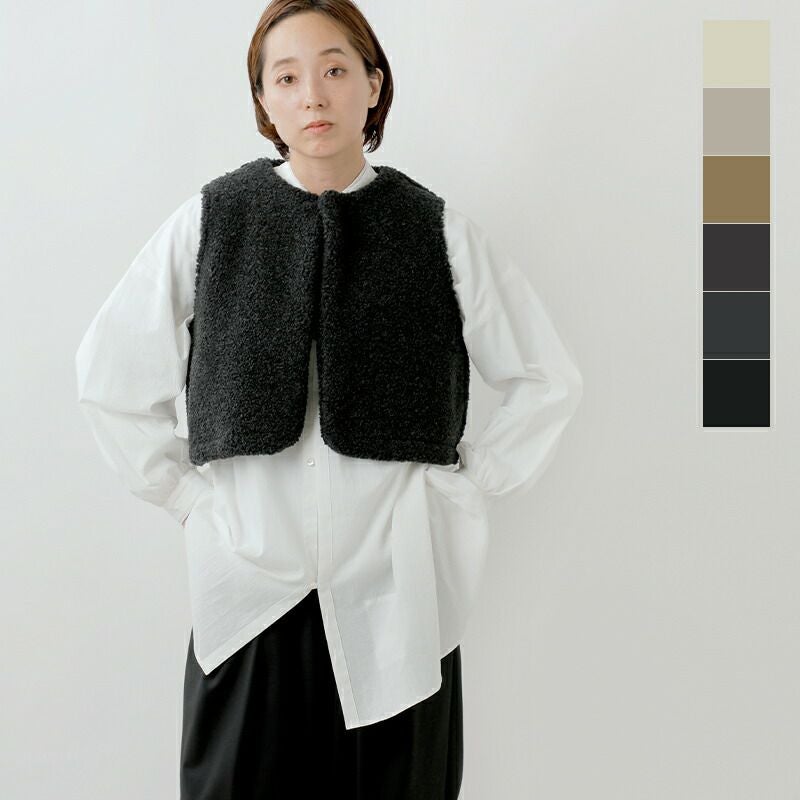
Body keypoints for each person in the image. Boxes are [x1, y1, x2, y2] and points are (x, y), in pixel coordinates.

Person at [74, 1, 584, 797]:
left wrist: (467, 487)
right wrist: (187, 499)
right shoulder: (212, 221)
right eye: (286, 78)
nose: (312, 95)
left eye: (335, 70)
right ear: (263, 100)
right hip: (248, 595)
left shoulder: (435, 229)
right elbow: (109, 375)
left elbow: (547, 378)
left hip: (396, 598)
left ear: (373, 86)